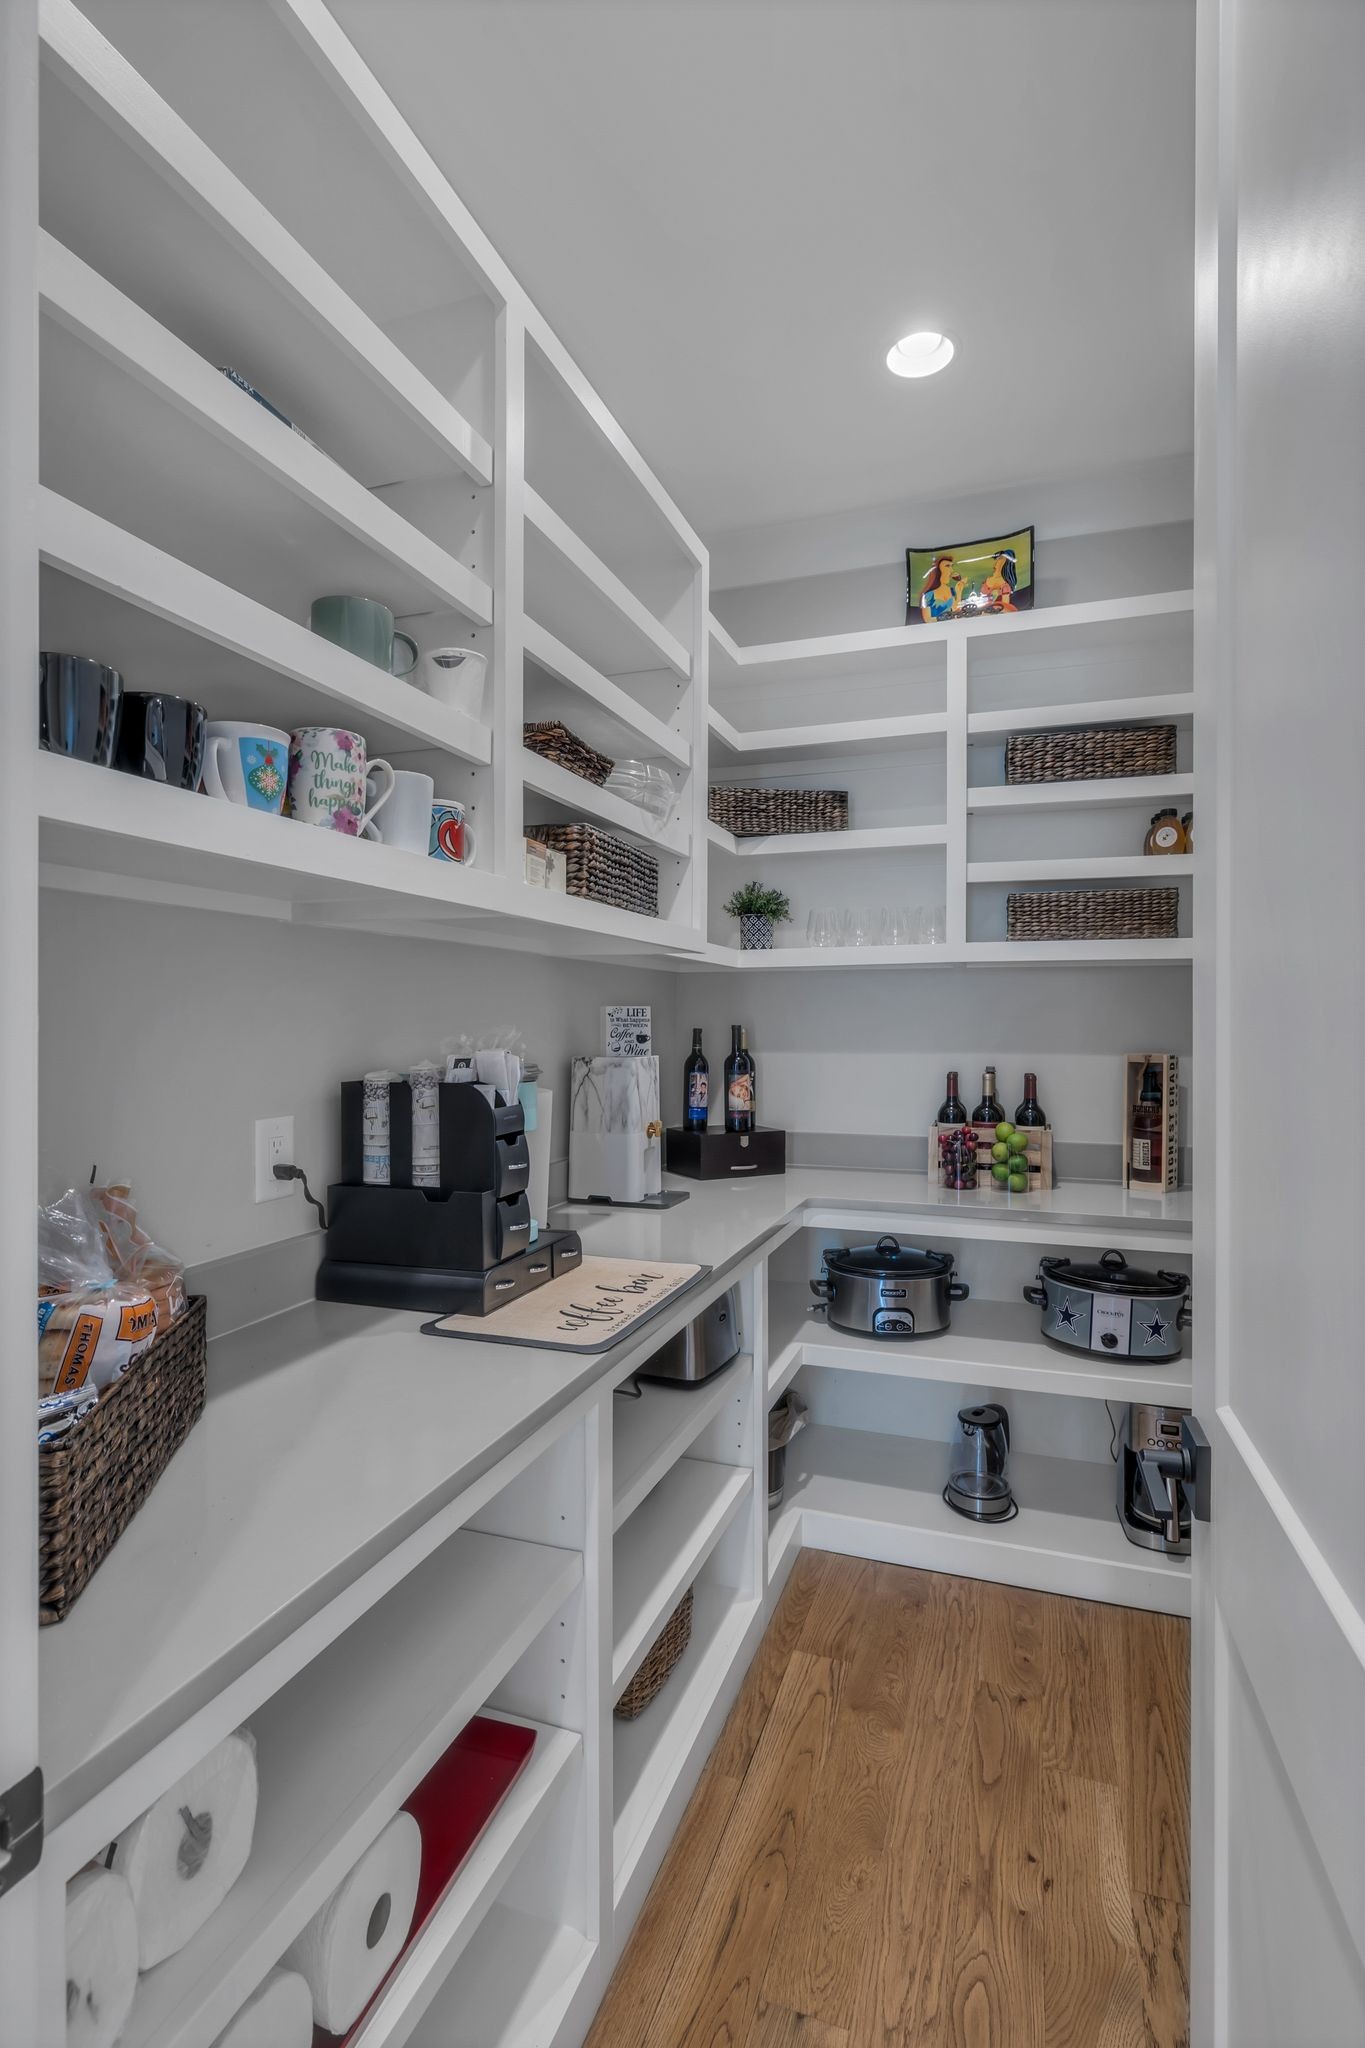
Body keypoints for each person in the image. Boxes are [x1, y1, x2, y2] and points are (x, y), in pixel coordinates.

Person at [920, 553, 963, 621]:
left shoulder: (951, 590)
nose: (951, 570)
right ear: (938, 571)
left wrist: (959, 592)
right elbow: (927, 619)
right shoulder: (928, 595)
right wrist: (944, 618)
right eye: (947, 566)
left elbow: (956, 610)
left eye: (951, 566)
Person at [980, 547, 1019, 612]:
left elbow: (1005, 606)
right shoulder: (989, 581)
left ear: (1005, 563)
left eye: (999, 560)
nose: (994, 565)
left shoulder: (1005, 586)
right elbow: (983, 595)